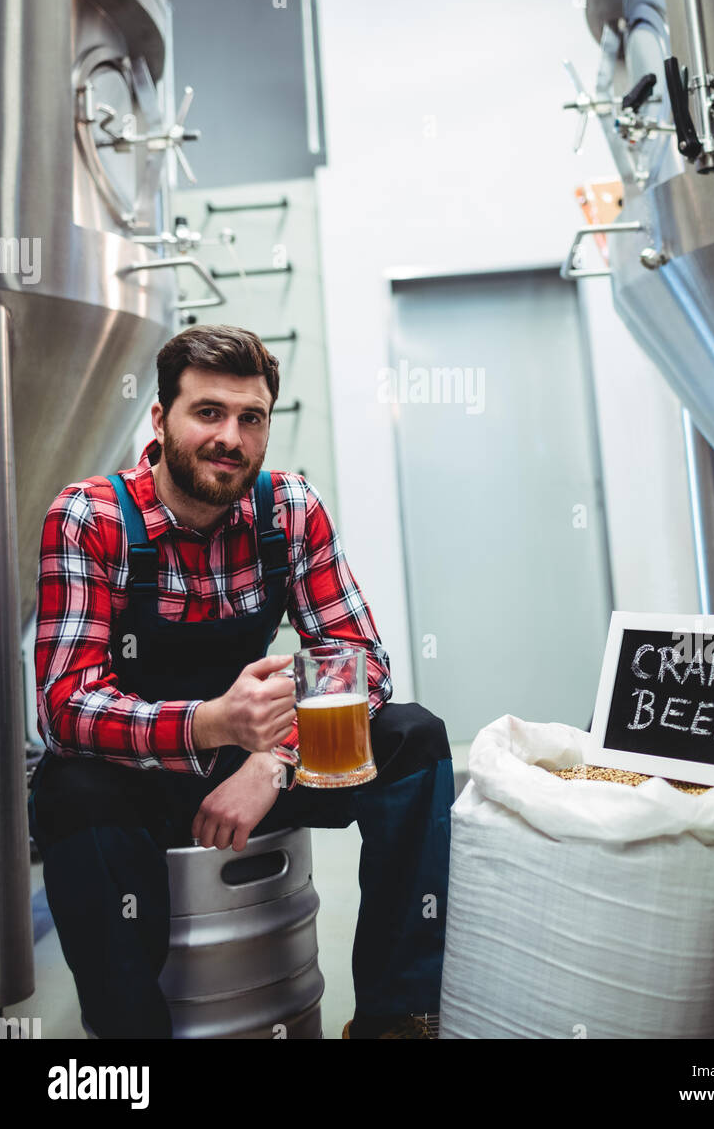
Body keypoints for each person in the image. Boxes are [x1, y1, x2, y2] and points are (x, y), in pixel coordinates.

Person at [28, 323, 454, 1040]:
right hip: (142, 774)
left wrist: (272, 759)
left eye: (250, 418)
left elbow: (362, 661)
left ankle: (393, 1017)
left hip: (259, 763)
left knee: (414, 738)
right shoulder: (89, 516)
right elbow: (65, 707)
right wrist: (214, 724)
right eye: (208, 413)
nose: (230, 436)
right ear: (161, 421)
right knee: (70, 789)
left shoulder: (288, 509)